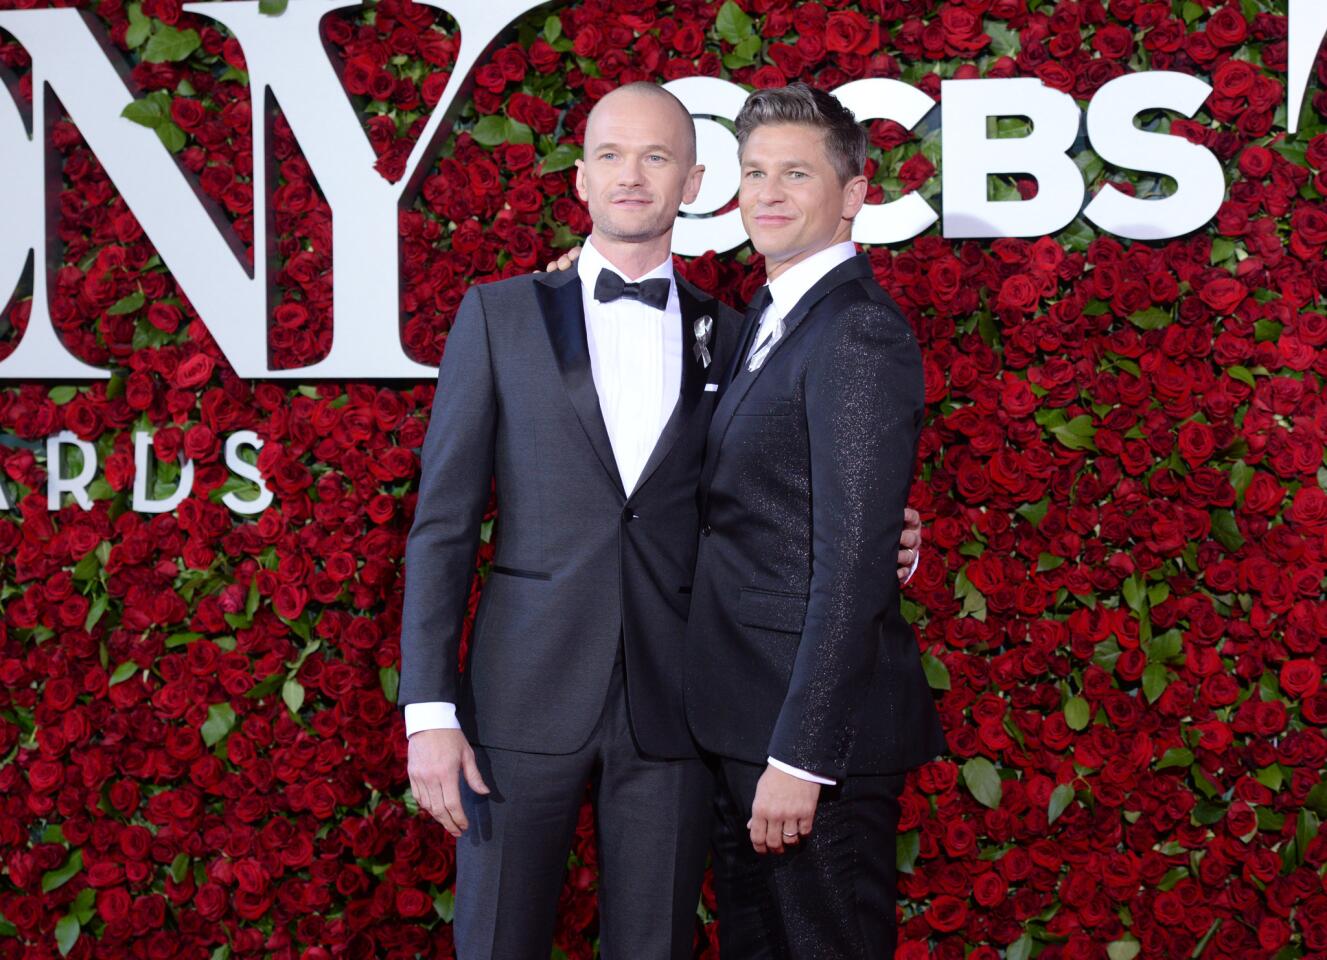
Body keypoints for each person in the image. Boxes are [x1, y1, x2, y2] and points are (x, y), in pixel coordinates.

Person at [398, 81, 923, 959]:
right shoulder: (498, 316)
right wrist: (427, 710)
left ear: (693, 183)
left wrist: (885, 536)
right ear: (579, 180)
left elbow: (784, 487)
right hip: (519, 699)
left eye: (655, 157)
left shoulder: (733, 330)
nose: (630, 177)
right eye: (609, 155)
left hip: (681, 704)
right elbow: (443, 525)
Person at [683, 83, 949, 960]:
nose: (765, 193)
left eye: (794, 174)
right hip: (743, 727)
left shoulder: (857, 333)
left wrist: (801, 759)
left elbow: (850, 565)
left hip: (807, 751)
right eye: (754, 172)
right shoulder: (769, 318)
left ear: (854, 194)